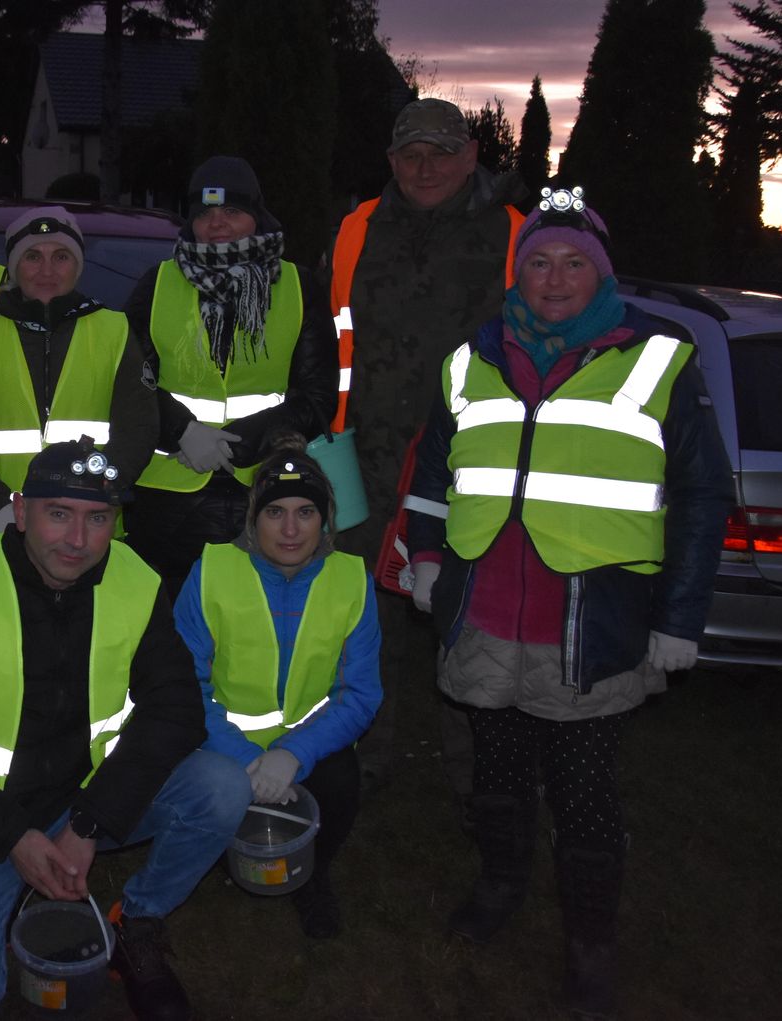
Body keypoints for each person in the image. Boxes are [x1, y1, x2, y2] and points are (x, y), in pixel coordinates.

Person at [405, 189, 730, 1018]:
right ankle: (501, 882)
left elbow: (701, 497)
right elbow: (433, 472)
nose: (554, 279)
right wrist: (428, 559)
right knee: (498, 773)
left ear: (603, 274)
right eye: (540, 262)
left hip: (591, 624)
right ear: (518, 273)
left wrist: (679, 618)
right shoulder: (470, 358)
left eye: (574, 262)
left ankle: (590, 943)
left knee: (584, 793)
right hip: (484, 613)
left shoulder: (659, 360)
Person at [0, 440, 247, 1021]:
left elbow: (176, 710)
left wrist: (90, 822)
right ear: (21, 511)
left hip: (86, 799)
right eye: (59, 514)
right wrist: (14, 838)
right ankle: (9, 898)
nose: (78, 539)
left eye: (98, 519)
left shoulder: (136, 580)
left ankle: (137, 921)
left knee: (222, 788)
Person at [328, 98, 528, 797]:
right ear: (391, 161)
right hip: (364, 457)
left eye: (441, 153)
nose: (425, 167)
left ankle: (480, 782)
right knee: (362, 619)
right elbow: (327, 337)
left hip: (472, 461)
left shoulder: (514, 233)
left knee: (469, 617)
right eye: (410, 154)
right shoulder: (356, 229)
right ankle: (358, 761)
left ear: (471, 156)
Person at [173, 435, 381, 938]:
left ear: (325, 518)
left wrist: (293, 753)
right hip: (221, 744)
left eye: (306, 512)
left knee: (341, 778)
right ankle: (220, 857)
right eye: (275, 513)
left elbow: (360, 694)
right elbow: (181, 686)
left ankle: (313, 874)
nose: (290, 530)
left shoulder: (352, 580)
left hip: (309, 745)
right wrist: (245, 759)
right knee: (207, 789)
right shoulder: (211, 572)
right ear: (253, 518)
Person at [125, 156, 337, 599]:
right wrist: (182, 430)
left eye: (232, 211)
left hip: (266, 494)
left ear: (257, 215)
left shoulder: (299, 286)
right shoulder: (155, 284)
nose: (217, 223)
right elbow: (129, 380)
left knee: (253, 623)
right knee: (169, 627)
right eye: (204, 213)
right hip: (166, 500)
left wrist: (234, 444)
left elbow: (317, 398)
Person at [0, 205, 158, 540]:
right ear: (14, 267)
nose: (46, 270)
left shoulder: (115, 331)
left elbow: (138, 431)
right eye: (33, 256)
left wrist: (89, 498)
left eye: (61, 257)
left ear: (77, 266)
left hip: (85, 531)